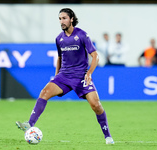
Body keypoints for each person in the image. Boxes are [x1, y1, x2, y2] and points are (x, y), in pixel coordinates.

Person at [16, 8, 114, 145]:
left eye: (64, 18)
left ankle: (108, 136)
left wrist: (89, 73)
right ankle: (29, 123)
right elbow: (60, 58)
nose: (61, 21)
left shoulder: (82, 35)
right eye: (60, 19)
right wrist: (56, 77)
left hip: (81, 77)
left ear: (71, 19)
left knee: (96, 105)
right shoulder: (59, 38)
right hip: (64, 76)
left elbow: (95, 56)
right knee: (44, 92)